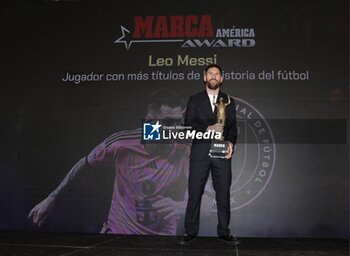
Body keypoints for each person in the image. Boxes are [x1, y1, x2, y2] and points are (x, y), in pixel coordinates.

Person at [28, 89, 191, 235]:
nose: (175, 129)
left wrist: (180, 207)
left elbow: (205, 200)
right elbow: (85, 164)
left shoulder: (186, 149)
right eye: (169, 122)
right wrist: (52, 197)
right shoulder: (122, 143)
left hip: (161, 243)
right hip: (119, 236)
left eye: (178, 122)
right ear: (150, 121)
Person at [180, 64, 238, 246]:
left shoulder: (229, 100)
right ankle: (190, 231)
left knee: (223, 193)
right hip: (200, 153)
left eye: (217, 74)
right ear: (205, 77)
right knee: (195, 193)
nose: (213, 76)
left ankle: (224, 231)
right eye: (210, 73)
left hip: (222, 154)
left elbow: (232, 128)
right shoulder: (195, 99)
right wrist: (207, 128)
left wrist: (231, 143)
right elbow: (188, 125)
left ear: (221, 79)